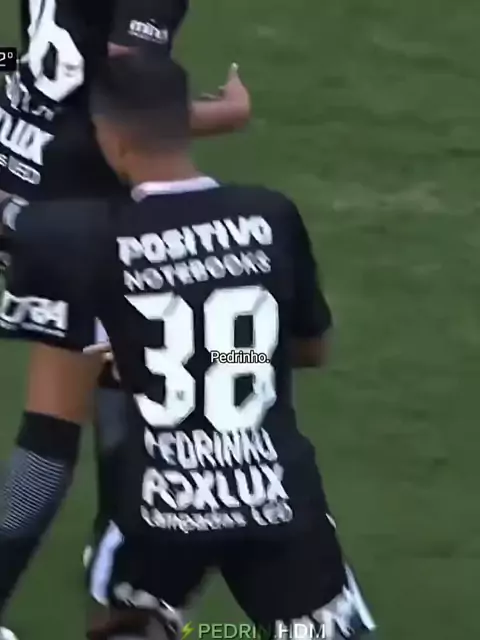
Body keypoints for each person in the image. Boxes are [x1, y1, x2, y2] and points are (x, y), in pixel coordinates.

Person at [0, 52, 375, 639]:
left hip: (159, 508)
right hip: (274, 495)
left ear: (112, 139)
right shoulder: (272, 215)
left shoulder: (86, 235)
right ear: (184, 124)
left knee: (127, 622)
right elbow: (312, 350)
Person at [0, 0, 250, 632]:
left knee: (122, 377)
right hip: (82, 194)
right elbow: (126, 91)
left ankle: (122, 561)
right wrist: (224, 116)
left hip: (24, 164)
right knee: (55, 428)